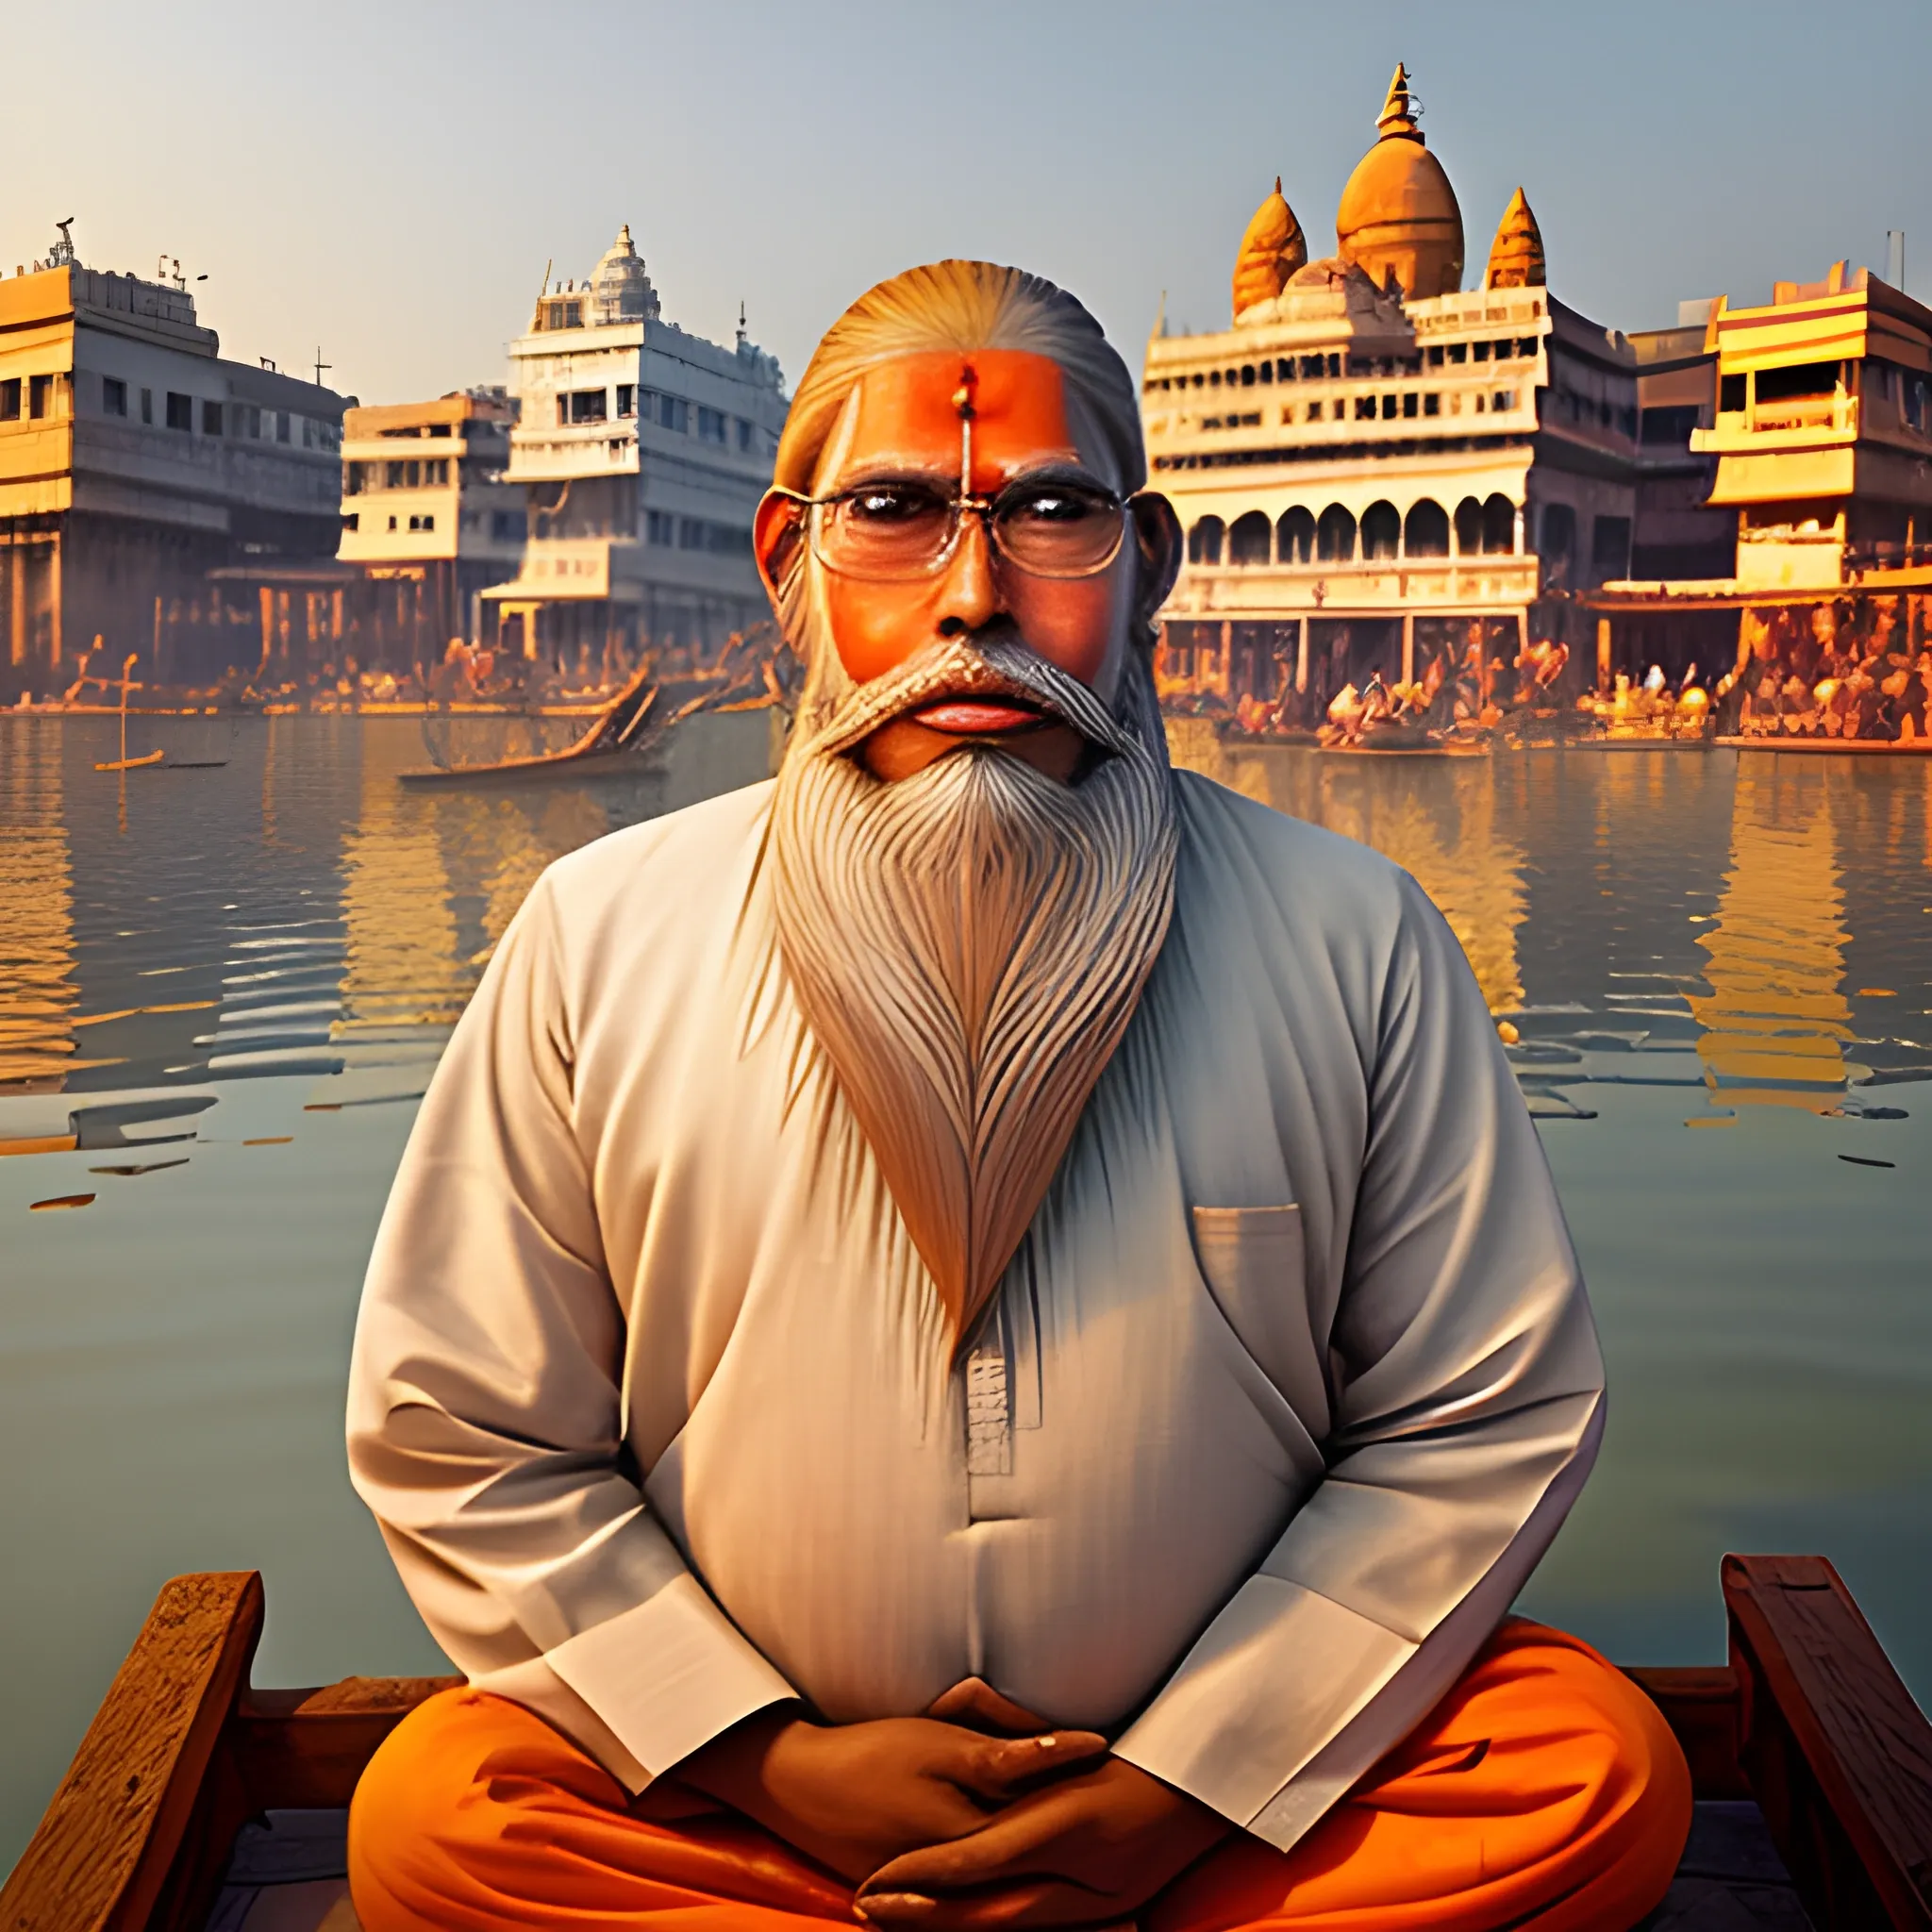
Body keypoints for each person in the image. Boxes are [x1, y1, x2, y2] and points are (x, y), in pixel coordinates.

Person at [345, 259, 1690, 1932]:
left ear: (1150, 572)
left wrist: (1184, 1785)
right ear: (791, 565)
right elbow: (463, 1429)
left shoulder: (1354, 935)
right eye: (898, 512)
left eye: (1052, 514)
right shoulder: (601, 934)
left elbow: (1478, 1416)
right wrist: (756, 1754)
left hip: (1237, 1803)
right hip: (761, 1810)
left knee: (1593, 1772)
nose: (973, 594)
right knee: (439, 1815)